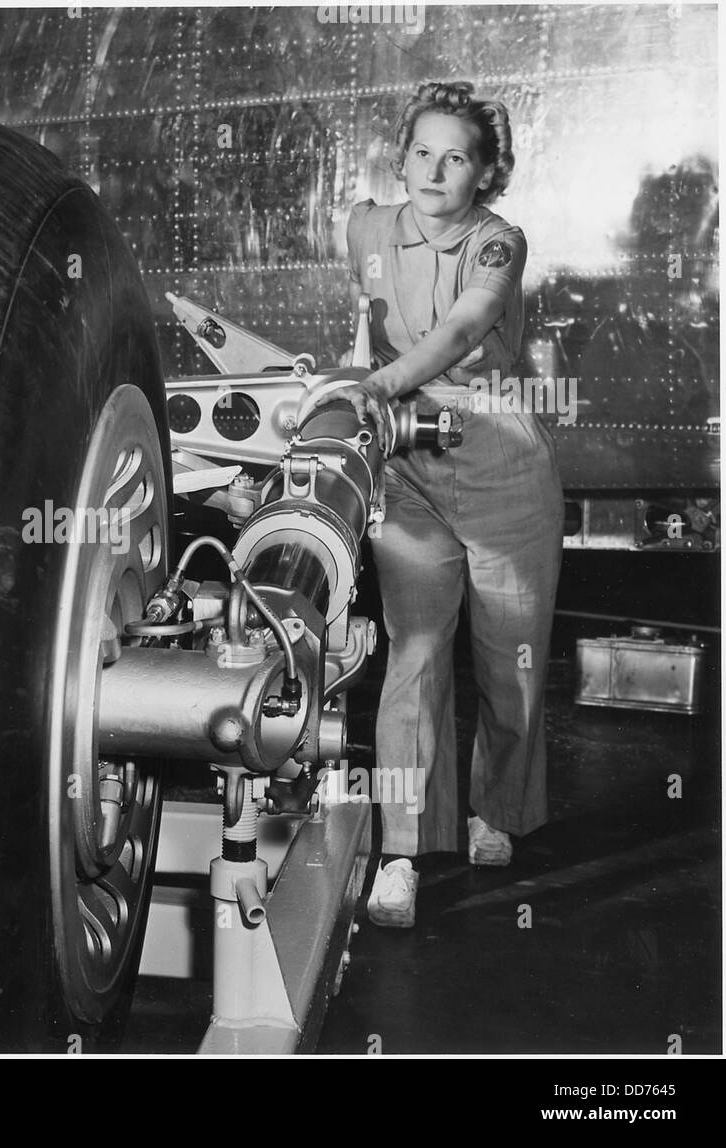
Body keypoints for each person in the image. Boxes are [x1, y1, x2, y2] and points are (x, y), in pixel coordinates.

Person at [307, 81, 564, 927]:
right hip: (410, 466)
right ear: (402, 155)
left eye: (456, 157)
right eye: (422, 151)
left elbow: (463, 329)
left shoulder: (499, 243)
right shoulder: (367, 227)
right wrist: (354, 395)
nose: (434, 170)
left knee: (509, 666)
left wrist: (371, 386)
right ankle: (403, 850)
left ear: (485, 174)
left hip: (500, 469)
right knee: (412, 660)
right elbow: (365, 320)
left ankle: (497, 809)